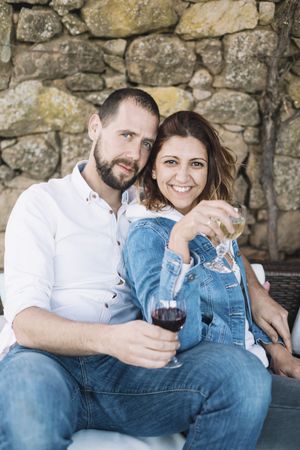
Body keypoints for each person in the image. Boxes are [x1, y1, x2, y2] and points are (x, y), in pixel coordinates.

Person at [0, 88, 285, 450]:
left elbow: (217, 243)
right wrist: (110, 339)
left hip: (129, 376)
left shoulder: (154, 207)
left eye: (147, 144)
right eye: (126, 135)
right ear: (94, 128)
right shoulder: (43, 203)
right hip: (45, 362)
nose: (134, 154)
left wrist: (255, 291)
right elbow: (25, 322)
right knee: (29, 424)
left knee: (241, 375)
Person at [122, 110, 300, 449]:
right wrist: (180, 242)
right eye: (172, 162)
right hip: (221, 391)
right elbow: (175, 337)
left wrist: (274, 349)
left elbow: (235, 306)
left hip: (259, 366)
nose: (184, 176)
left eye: (197, 164)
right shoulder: (147, 233)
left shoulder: (214, 217)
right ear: (154, 168)